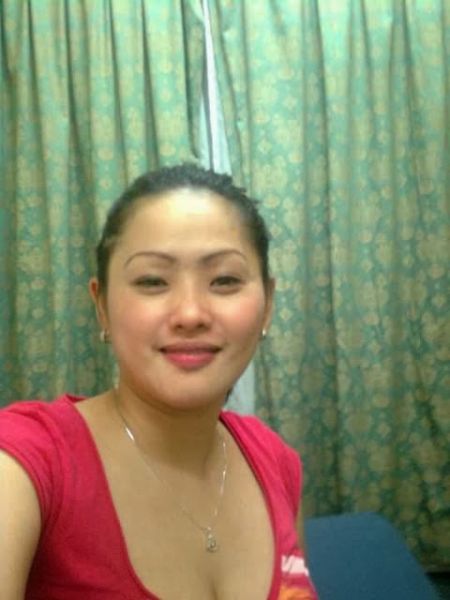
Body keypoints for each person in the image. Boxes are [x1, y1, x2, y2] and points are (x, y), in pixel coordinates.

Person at [0, 164, 318, 600]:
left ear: (268, 305)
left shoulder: (277, 462)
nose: (190, 314)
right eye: (152, 281)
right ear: (102, 306)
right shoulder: (27, 462)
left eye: (225, 280)